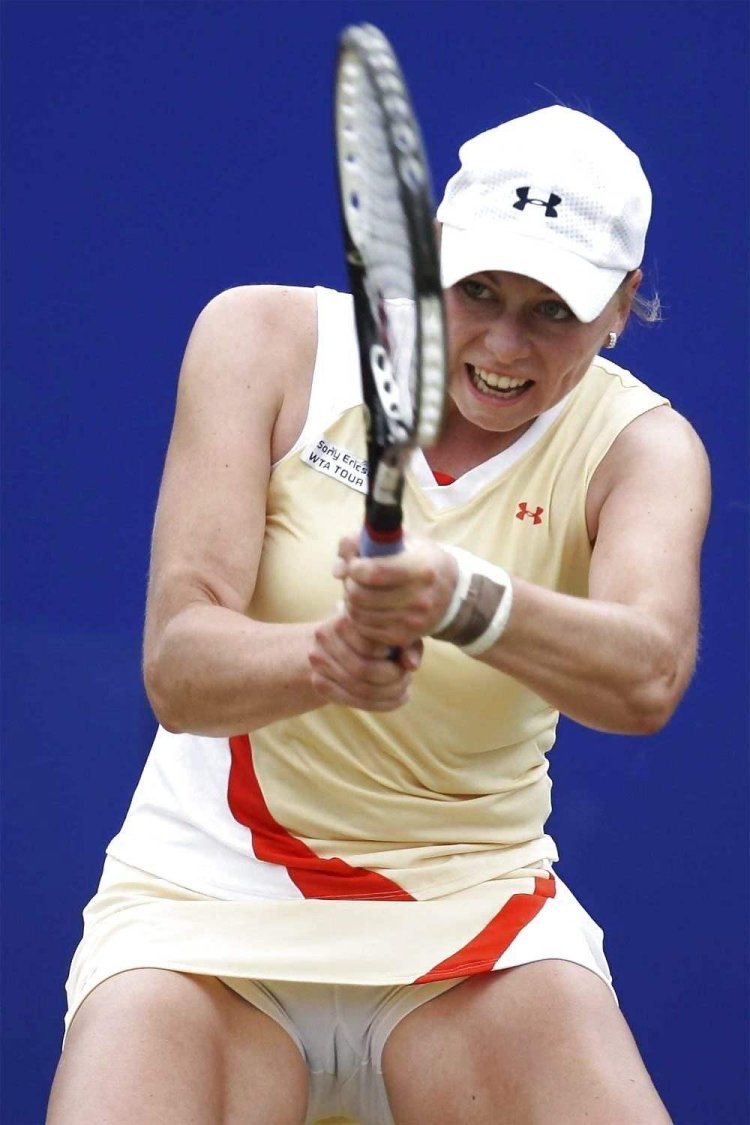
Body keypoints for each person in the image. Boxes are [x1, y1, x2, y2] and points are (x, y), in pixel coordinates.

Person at [47, 105, 710, 1125]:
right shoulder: (265, 342)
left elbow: (647, 675)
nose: (500, 341)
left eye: (553, 311)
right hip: (202, 912)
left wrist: (462, 598)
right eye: (477, 289)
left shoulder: (644, 450)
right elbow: (180, 668)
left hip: (475, 923)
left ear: (622, 306)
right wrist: (328, 657)